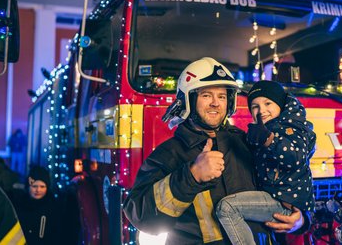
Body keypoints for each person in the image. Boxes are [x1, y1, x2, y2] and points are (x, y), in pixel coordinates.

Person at [123, 57, 306, 244]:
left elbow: (287, 180)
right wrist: (191, 175)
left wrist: (300, 219)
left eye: (222, 96)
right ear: (188, 100)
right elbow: (140, 216)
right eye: (206, 95)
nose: (215, 103)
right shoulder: (168, 154)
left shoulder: (246, 143)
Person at [215, 80, 316, 245]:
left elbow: (295, 157)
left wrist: (269, 140)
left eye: (268, 103)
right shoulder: (253, 134)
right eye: (255, 106)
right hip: (272, 204)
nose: (261, 110)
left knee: (227, 208)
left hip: (281, 201)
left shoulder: (291, 128)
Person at [13, 166, 64, 245]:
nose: (38, 190)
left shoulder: (53, 208)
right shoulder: (19, 205)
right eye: (34, 186)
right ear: (28, 187)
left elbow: (57, 236)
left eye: (42, 186)